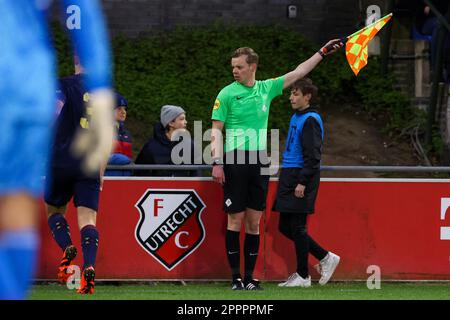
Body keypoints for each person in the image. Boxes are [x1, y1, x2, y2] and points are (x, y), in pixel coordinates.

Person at [0, 0, 114, 300]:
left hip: (58, 155)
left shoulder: (63, 86)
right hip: (28, 88)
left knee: (50, 210)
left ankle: (66, 249)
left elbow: (56, 112)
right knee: (18, 208)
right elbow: (83, 15)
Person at [210, 41, 343, 291]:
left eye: (239, 67)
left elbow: (300, 72)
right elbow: (216, 130)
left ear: (252, 67)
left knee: (253, 221)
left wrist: (322, 52)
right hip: (235, 159)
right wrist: (216, 161)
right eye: (233, 67)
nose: (234, 71)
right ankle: (236, 279)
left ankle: (250, 279)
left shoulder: (266, 88)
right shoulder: (226, 93)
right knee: (235, 220)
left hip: (259, 160)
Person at [274, 78, 340, 288]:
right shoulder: (297, 116)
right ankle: (325, 257)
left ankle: (303, 275)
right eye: (291, 93)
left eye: (295, 93)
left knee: (297, 226)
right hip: (290, 173)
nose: (291, 97)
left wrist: (302, 181)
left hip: (300, 176)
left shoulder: (311, 119)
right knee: (285, 226)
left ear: (307, 96)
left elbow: (313, 155)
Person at [135, 105, 201, 177]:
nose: (186, 122)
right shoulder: (151, 147)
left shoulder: (190, 145)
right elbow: (139, 172)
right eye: (182, 119)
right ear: (171, 123)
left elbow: (196, 173)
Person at [105, 93, 133, 176]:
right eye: (119, 108)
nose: (123, 112)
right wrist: (124, 160)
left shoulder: (127, 134)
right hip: (106, 180)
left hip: (125, 180)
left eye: (125, 109)